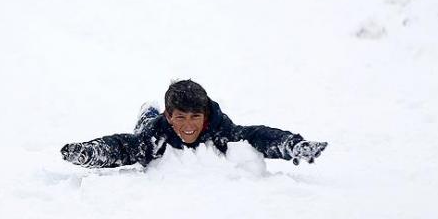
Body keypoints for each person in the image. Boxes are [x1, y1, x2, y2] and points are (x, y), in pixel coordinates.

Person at [61, 80, 328, 168]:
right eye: (181, 117)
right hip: (152, 122)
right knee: (143, 124)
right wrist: (89, 152)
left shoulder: (221, 129)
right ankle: (148, 109)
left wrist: (294, 146)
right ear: (170, 116)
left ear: (206, 116)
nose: (189, 126)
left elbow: (258, 136)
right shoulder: (156, 134)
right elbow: (122, 147)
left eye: (195, 117)